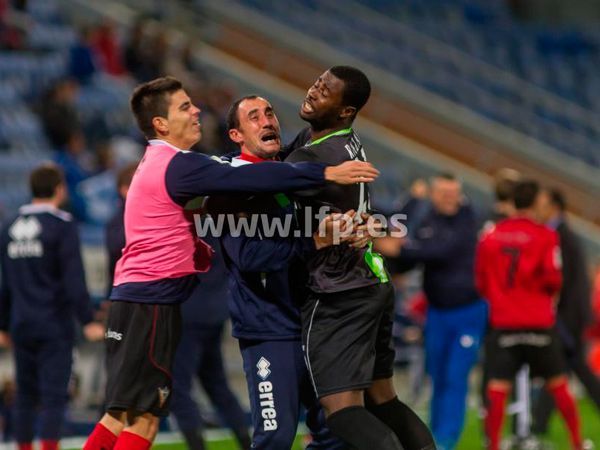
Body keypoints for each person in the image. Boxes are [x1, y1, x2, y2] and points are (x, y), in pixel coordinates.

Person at [82, 76, 378, 450]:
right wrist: (325, 180)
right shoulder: (189, 167)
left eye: (270, 112)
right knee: (142, 419)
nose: (196, 112)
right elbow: (249, 201)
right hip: (203, 313)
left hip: (171, 302)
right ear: (160, 124)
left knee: (137, 415)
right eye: (185, 107)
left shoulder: (180, 166)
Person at [285, 66, 435, 450]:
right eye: (316, 82)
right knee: (382, 399)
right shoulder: (337, 142)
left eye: (325, 91)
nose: (313, 91)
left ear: (345, 110)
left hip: (340, 292)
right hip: (371, 281)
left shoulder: (317, 155)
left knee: (343, 411)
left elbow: (261, 201)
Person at [214, 95, 347, 449]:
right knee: (274, 438)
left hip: (311, 324)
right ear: (236, 135)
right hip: (268, 328)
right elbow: (249, 255)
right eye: (254, 117)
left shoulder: (287, 177)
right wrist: (315, 241)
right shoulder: (230, 187)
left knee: (338, 434)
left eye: (269, 113)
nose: (266, 121)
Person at [107, 165, 250, 449]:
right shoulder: (216, 219)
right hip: (215, 311)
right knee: (217, 386)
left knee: (179, 389)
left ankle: (197, 445)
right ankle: (248, 443)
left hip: (185, 313)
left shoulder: (173, 220)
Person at [0, 164, 105, 450]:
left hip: (21, 324)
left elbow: (5, 282)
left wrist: (3, 324)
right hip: (53, 324)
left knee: (24, 395)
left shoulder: (9, 227)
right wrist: (87, 320)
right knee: (54, 397)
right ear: (59, 189)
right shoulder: (61, 225)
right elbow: (74, 278)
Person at [475, 180, 583, 450]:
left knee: (497, 388)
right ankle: (578, 443)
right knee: (559, 384)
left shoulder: (491, 235)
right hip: (538, 321)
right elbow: (553, 279)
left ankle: (493, 445)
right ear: (535, 203)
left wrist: (501, 299)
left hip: (504, 321)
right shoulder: (545, 236)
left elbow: (480, 281)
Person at [395, 173, 487, 450]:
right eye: (444, 194)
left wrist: (401, 249)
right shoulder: (428, 219)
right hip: (437, 313)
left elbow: (439, 250)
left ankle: (446, 441)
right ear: (433, 195)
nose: (451, 199)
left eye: (454, 194)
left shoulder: (468, 219)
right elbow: (416, 251)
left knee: (455, 376)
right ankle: (433, 439)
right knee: (436, 375)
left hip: (468, 312)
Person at [532, 187, 600, 435]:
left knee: (560, 369)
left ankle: (537, 426)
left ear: (554, 206)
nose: (537, 208)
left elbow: (566, 282)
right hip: (570, 316)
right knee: (564, 371)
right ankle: (538, 425)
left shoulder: (560, 235)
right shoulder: (563, 233)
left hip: (567, 318)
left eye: (541, 203)